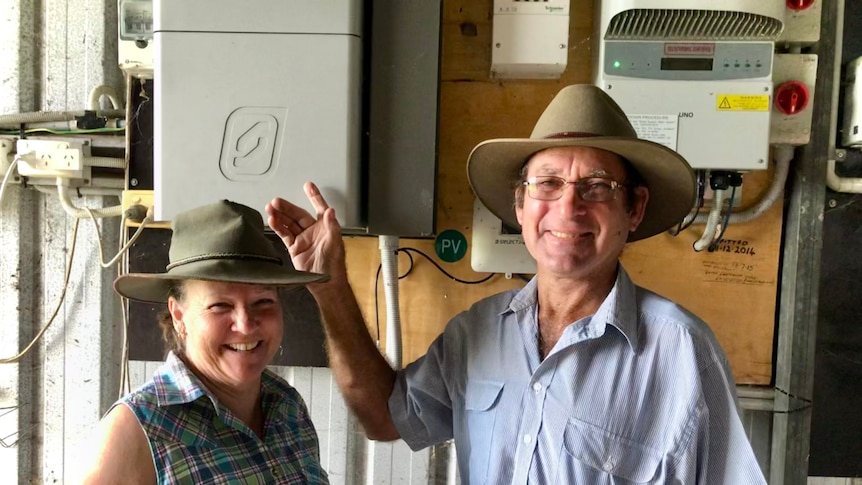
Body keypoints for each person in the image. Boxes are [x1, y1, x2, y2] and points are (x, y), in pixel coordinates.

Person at [266, 84, 766, 484]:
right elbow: (386, 419)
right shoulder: (475, 333)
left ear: (632, 209)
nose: (568, 208)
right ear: (521, 206)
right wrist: (329, 285)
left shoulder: (680, 352)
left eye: (596, 187)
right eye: (548, 184)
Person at [78, 200, 331, 484]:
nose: (245, 324)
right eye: (220, 305)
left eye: (263, 301)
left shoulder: (287, 406)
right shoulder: (135, 432)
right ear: (178, 316)